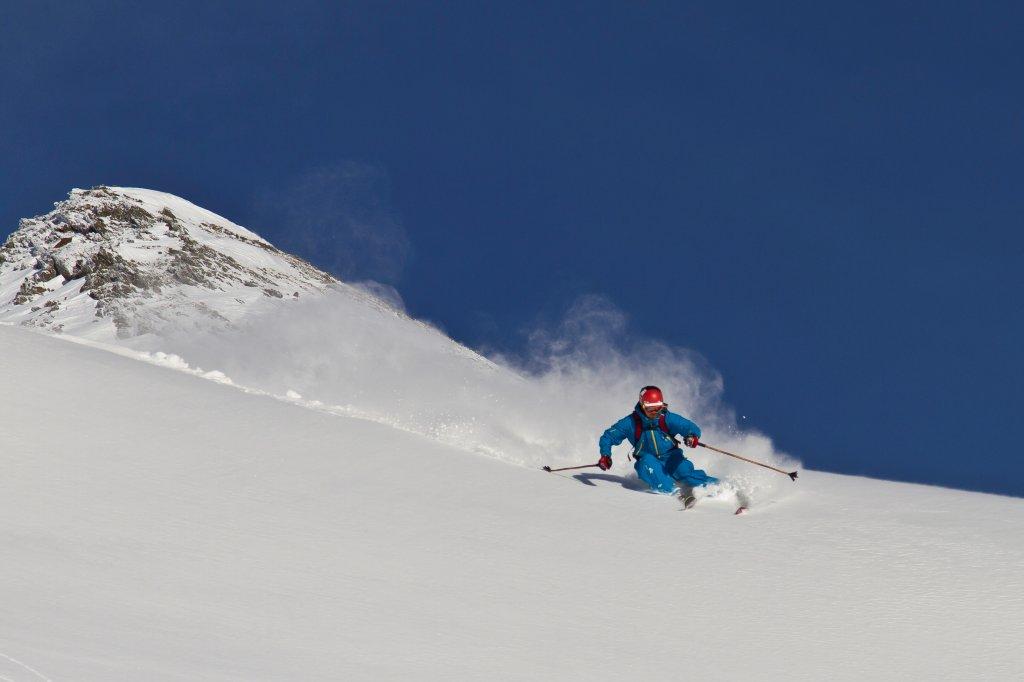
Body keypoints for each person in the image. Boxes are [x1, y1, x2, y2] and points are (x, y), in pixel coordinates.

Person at [598, 385, 718, 507]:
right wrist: (605, 455)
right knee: (648, 465)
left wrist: (692, 436)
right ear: (642, 405)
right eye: (651, 409)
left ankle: (721, 488)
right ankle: (677, 494)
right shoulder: (631, 423)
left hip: (671, 456)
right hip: (648, 458)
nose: (655, 413)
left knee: (684, 472)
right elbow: (608, 437)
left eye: (658, 408)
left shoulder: (666, 418)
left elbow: (689, 427)